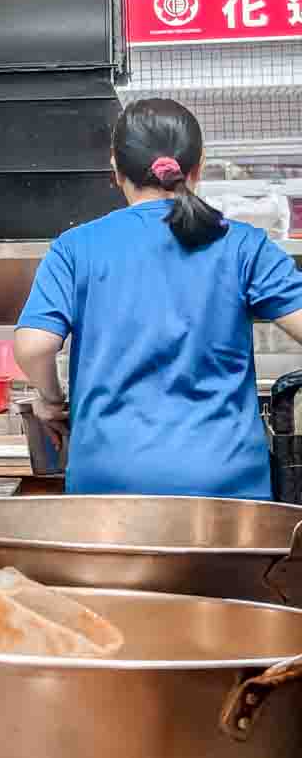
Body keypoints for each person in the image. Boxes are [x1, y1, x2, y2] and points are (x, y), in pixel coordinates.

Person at [15, 97, 302, 498]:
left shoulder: (76, 247)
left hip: (108, 485)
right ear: (197, 166)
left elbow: (33, 346)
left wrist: (51, 400)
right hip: (225, 489)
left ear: (115, 169)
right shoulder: (242, 245)